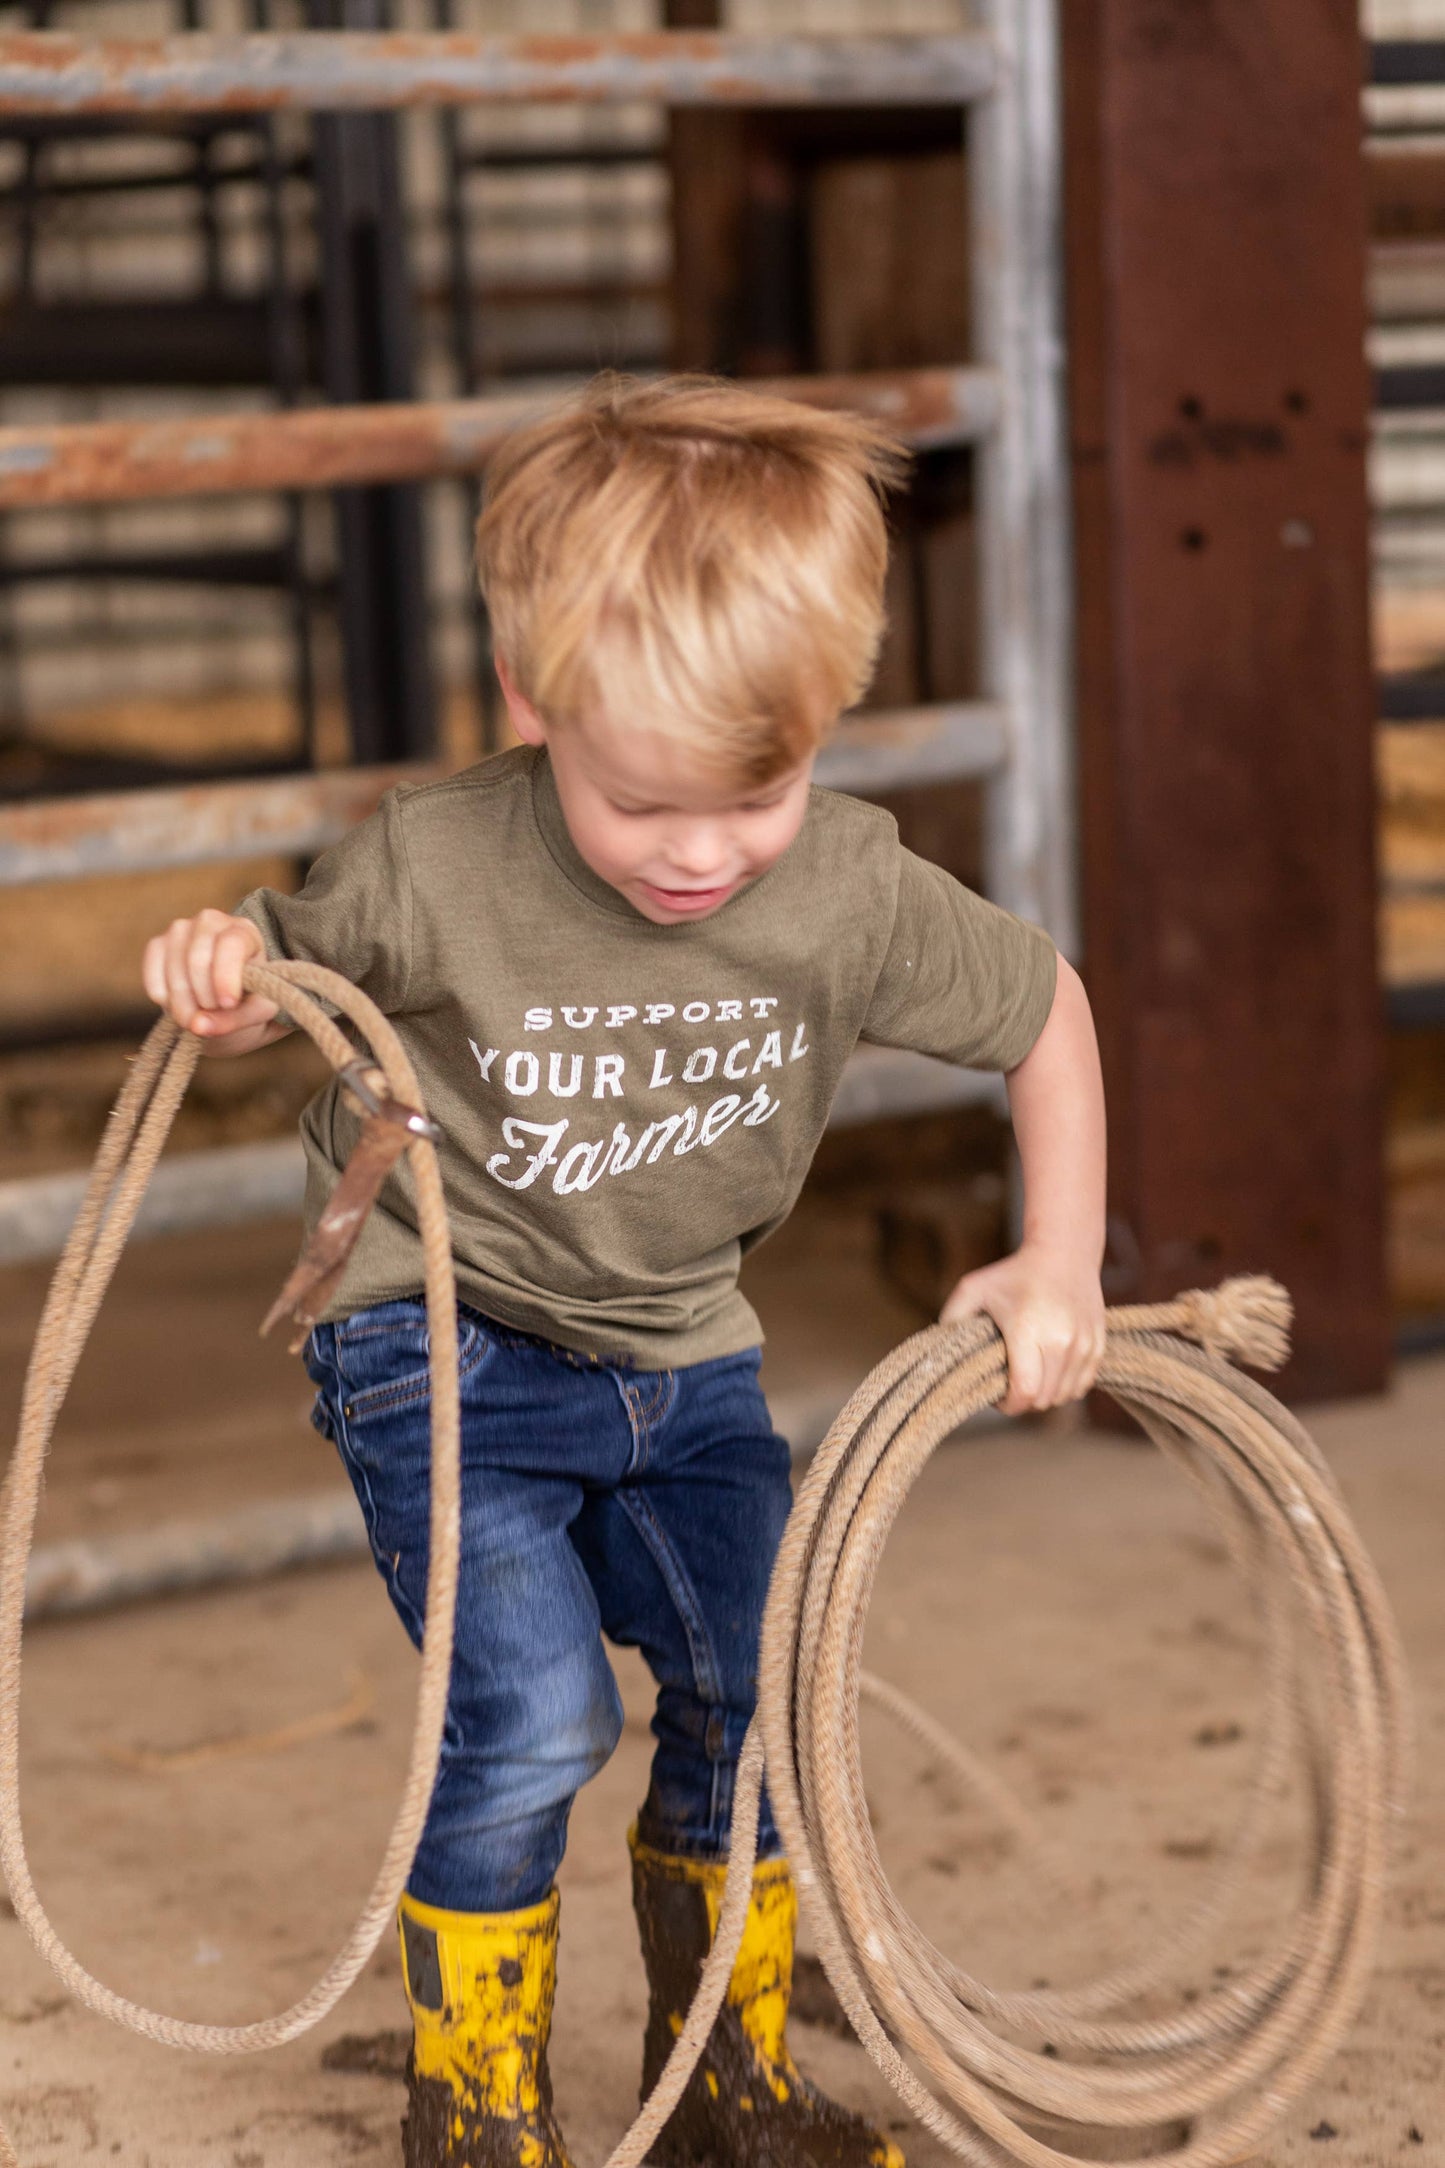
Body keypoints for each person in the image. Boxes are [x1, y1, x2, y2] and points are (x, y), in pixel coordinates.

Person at [142, 374, 1107, 2168]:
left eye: (759, 795)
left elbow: (1044, 1009)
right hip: (443, 1339)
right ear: (534, 699)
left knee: (764, 1688)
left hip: (681, 1345)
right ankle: (479, 2112)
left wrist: (1058, 1257)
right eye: (644, 801)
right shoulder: (434, 864)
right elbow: (266, 971)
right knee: (532, 1715)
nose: (702, 854)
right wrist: (211, 969)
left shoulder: (843, 885)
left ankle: (712, 2087)